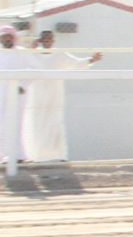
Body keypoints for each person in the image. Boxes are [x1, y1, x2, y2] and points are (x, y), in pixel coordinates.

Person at [25, 30, 103, 162]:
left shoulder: (59, 55)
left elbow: (75, 63)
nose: (47, 41)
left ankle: (57, 156)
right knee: (36, 124)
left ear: (53, 41)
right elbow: (23, 62)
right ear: (40, 40)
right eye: (45, 39)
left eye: (50, 39)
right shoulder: (33, 55)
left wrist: (91, 60)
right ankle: (35, 155)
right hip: (36, 96)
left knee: (54, 124)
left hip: (54, 95)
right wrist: (30, 50)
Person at [0, 27, 32, 169]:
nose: (7, 39)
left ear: (14, 38)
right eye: (4, 37)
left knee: (15, 123)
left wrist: (23, 85)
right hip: (1, 92)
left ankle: (17, 155)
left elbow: (34, 69)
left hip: (16, 93)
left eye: (9, 37)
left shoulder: (22, 52)